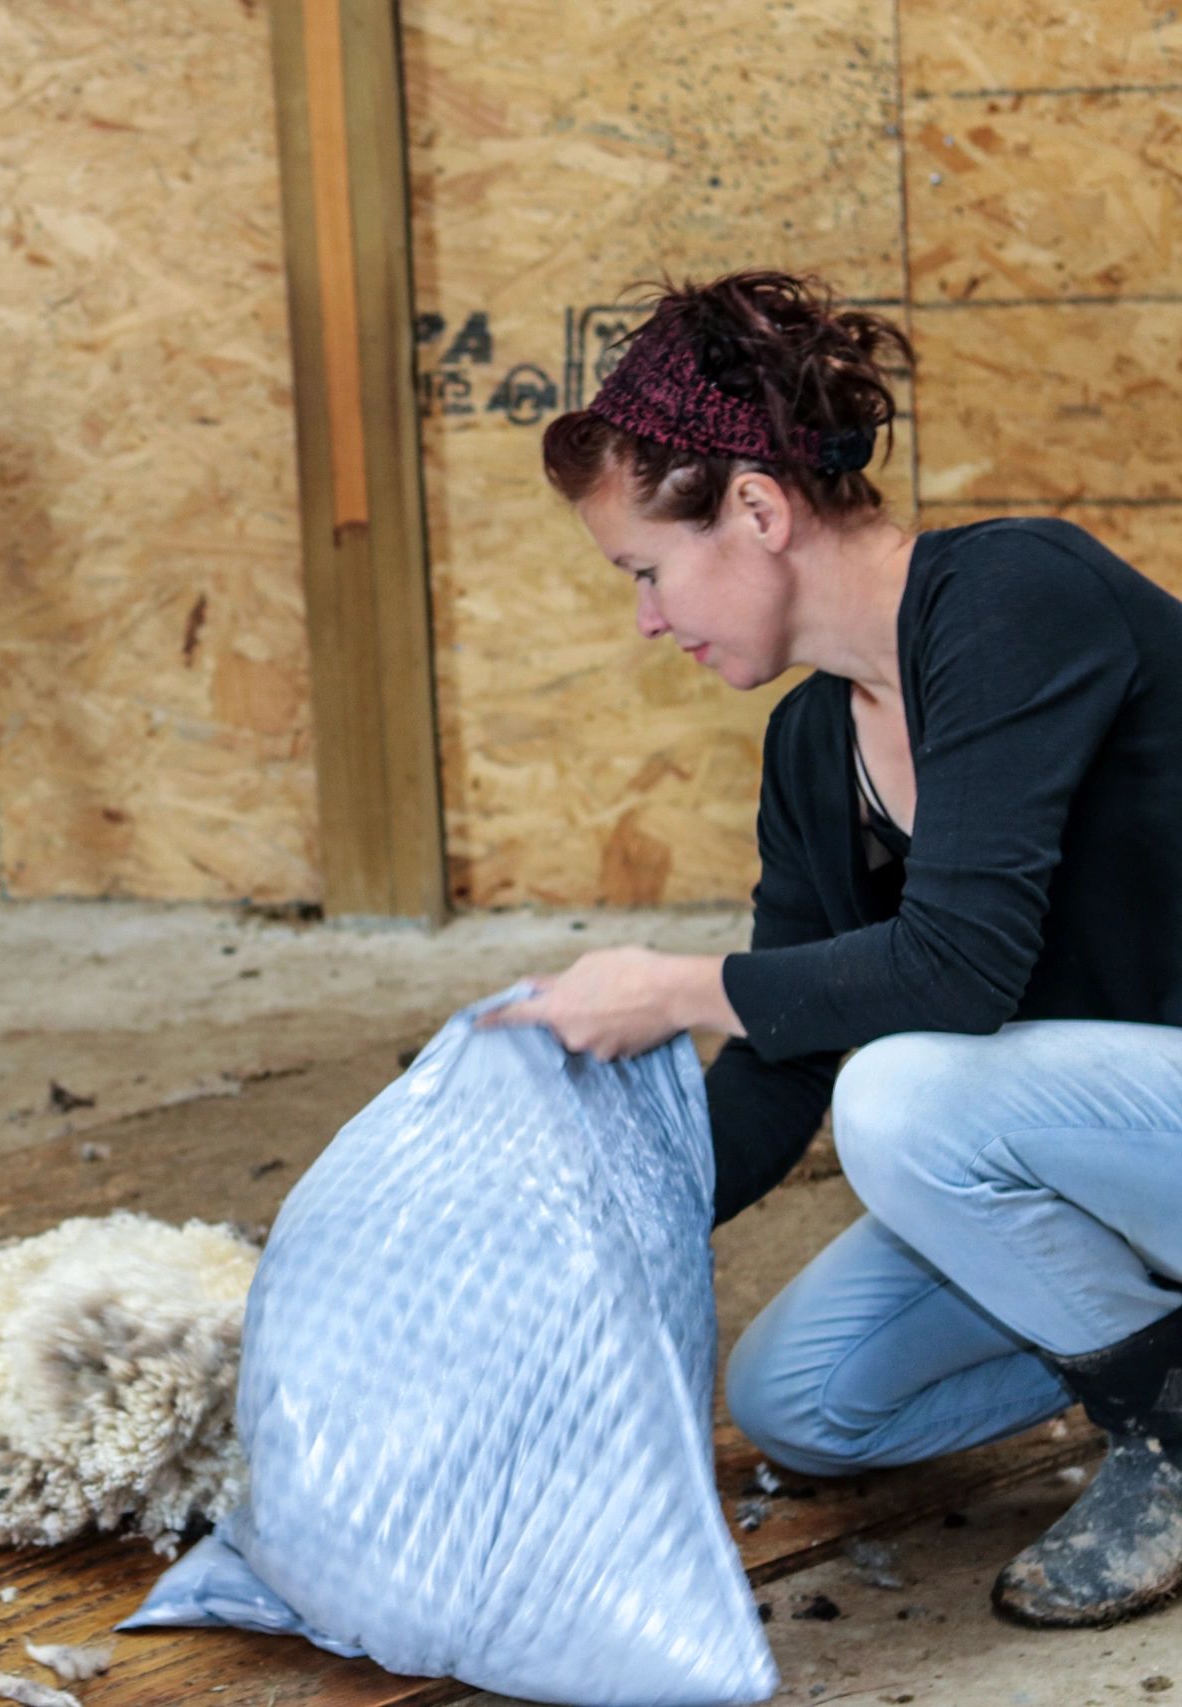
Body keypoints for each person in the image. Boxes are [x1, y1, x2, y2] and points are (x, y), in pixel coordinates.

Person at [493, 272, 1182, 1630]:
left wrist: (672, 989)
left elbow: (958, 967)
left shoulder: (1011, 597)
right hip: (1125, 1163)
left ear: (755, 508)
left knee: (908, 1096)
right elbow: (778, 1065)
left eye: (646, 570)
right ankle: (1143, 1353)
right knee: (803, 1399)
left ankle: (1165, 1429)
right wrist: (572, 1246)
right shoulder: (816, 749)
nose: (645, 620)